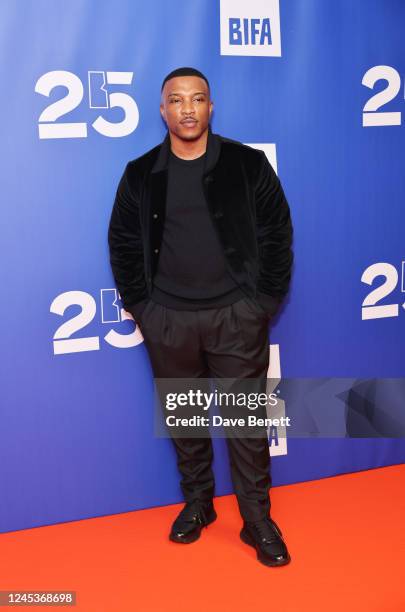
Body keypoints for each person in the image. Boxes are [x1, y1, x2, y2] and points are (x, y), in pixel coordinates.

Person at [108, 67, 294, 567]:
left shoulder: (247, 165)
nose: (188, 108)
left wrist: (261, 305)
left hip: (236, 316)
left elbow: (278, 234)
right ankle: (199, 504)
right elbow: (123, 244)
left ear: (212, 107)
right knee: (185, 419)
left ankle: (257, 521)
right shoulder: (140, 173)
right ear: (162, 110)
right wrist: (144, 307)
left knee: (245, 423)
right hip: (167, 318)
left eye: (198, 99)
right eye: (177, 99)